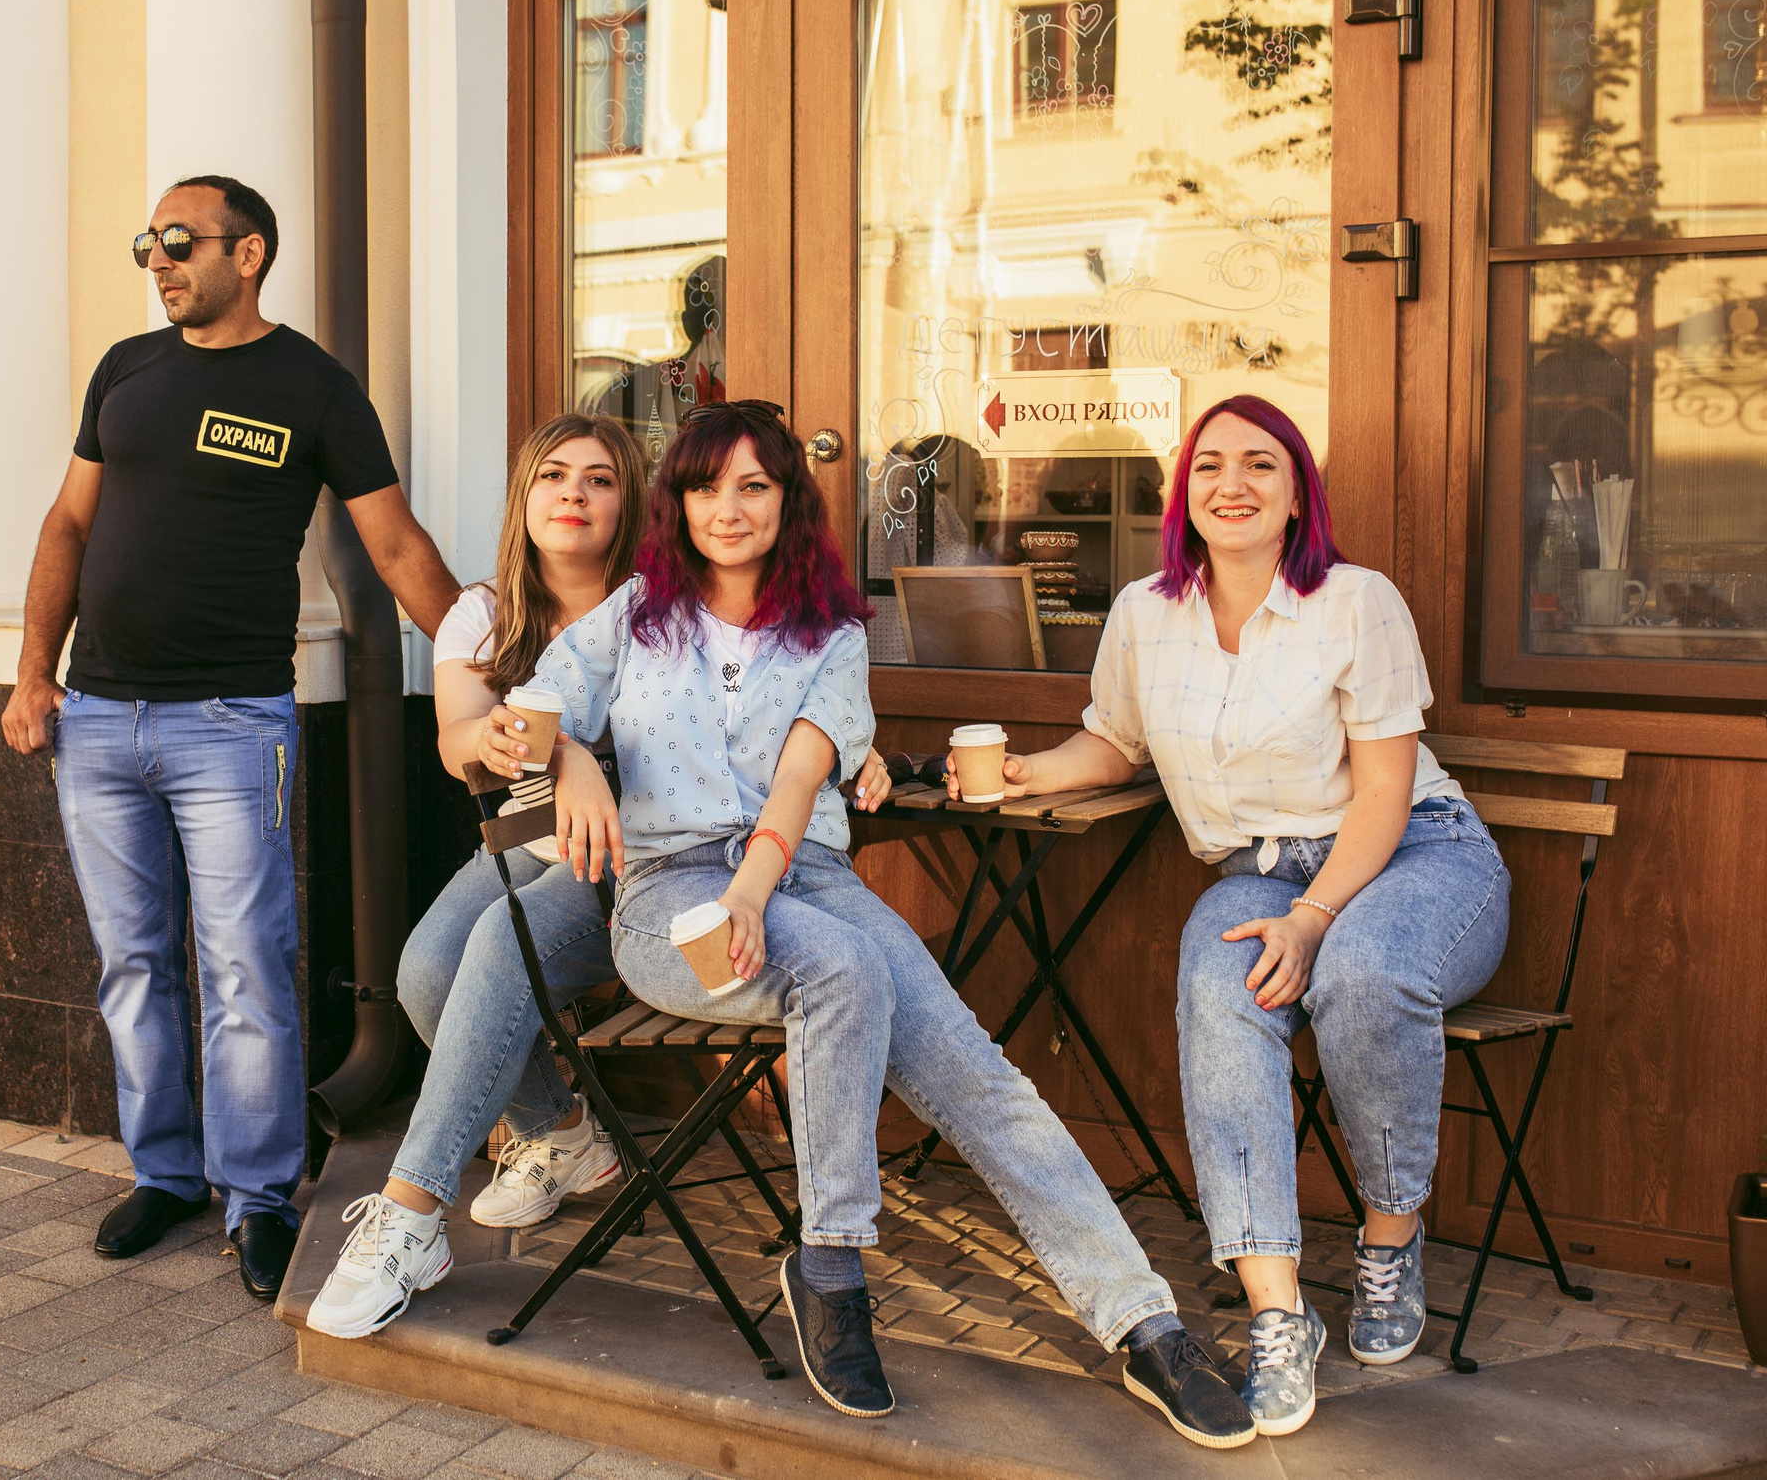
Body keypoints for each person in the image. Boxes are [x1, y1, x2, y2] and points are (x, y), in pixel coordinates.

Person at [528, 400, 1255, 1448]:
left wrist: (757, 887)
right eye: (703, 486)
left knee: (985, 1082)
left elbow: (799, 777)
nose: (725, 509)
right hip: (668, 901)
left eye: (752, 486)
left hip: (804, 881)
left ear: (788, 501)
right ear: (675, 501)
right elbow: (532, 710)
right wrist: (572, 759)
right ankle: (830, 1264)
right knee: (834, 967)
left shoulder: (830, 636)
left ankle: (1142, 1323)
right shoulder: (637, 613)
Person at [978, 393, 1510, 1439]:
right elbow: (1116, 743)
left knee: (1363, 972)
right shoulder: (1144, 613)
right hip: (1257, 874)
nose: (1232, 484)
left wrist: (1313, 920)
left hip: (1415, 857)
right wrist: (1023, 771)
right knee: (1216, 990)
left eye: (1260, 465)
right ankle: (1278, 1315)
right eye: (1210, 465)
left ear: (1296, 492)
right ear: (1181, 493)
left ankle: (1391, 1239)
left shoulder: (1355, 602)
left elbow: (1385, 793)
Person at [308, 412, 896, 1340]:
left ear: (632, 502)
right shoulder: (489, 609)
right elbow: (465, 738)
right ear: (525, 495)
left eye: (598, 478)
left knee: (503, 943)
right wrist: (553, 744)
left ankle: (412, 1212)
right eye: (553, 475)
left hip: (624, 860)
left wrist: (856, 756)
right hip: (523, 830)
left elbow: (774, 703)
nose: (573, 494)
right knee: (425, 973)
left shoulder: (660, 596)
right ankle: (561, 1128)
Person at [1, 175, 462, 1300]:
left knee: (247, 969)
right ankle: (165, 1174)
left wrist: (480, 661)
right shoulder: (126, 370)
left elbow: (393, 544)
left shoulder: (310, 385)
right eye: (147, 242)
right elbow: (68, 521)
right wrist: (30, 673)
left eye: (179, 241)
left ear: (247, 253)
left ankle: (257, 1197)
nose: (158, 261)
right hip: (98, 718)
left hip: (229, 725)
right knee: (133, 964)